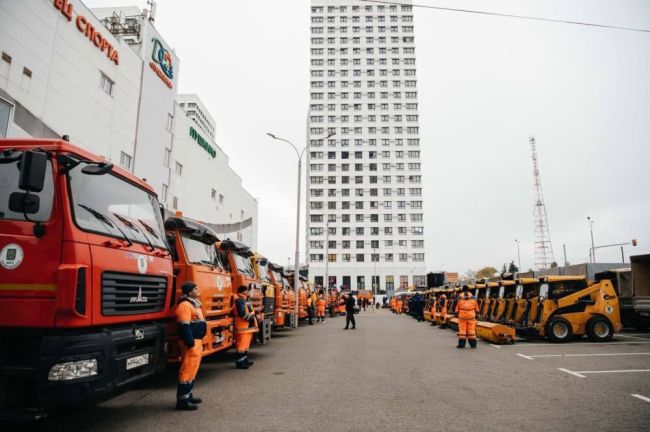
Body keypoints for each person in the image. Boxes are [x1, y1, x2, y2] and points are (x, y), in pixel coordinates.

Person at [175, 281, 207, 410]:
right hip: (191, 342)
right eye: (196, 288)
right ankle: (182, 401)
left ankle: (188, 395)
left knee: (192, 369)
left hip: (196, 341)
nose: (198, 290)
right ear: (189, 292)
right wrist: (190, 341)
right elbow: (184, 325)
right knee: (187, 370)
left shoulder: (195, 305)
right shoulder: (185, 305)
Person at [233, 285, 258, 369]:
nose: (248, 291)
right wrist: (251, 317)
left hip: (247, 327)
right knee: (241, 346)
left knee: (245, 345)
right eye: (246, 290)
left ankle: (245, 361)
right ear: (242, 292)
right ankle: (240, 363)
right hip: (243, 327)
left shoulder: (244, 300)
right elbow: (242, 314)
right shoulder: (240, 301)